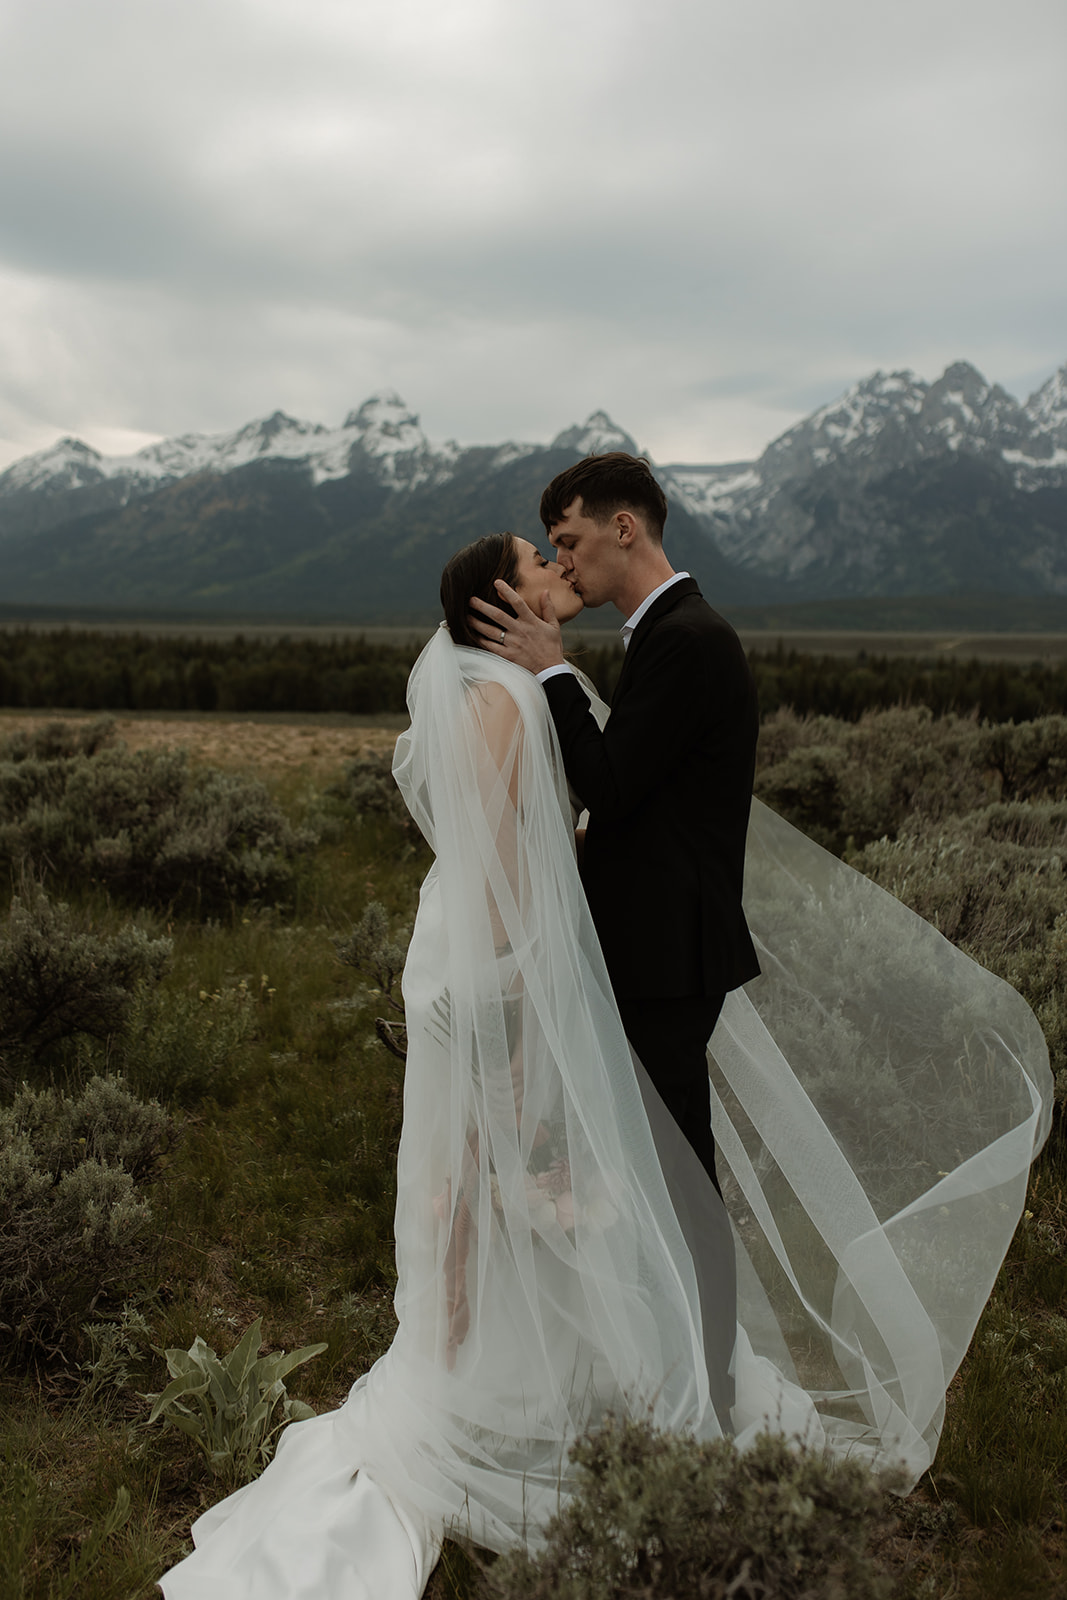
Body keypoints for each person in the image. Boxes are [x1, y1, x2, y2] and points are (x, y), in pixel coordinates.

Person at [160, 531, 1052, 1600]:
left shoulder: (519, 685)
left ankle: (526, 1381)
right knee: (481, 1177)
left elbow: (562, 831)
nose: (556, 565)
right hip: (486, 969)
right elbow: (494, 864)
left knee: (513, 1177)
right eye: (538, 556)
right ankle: (462, 1390)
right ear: (507, 592)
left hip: (511, 957)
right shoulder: (499, 701)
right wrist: (515, 997)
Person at [469, 454, 758, 1195]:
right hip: (655, 945)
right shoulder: (669, 632)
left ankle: (701, 1312)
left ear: (621, 528)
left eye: (566, 541)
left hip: (668, 953)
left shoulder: (686, 638)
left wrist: (550, 670)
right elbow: (660, 802)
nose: (563, 563)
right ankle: (683, 1310)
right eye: (553, 549)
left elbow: (611, 785)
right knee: (655, 1161)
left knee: (675, 1165)